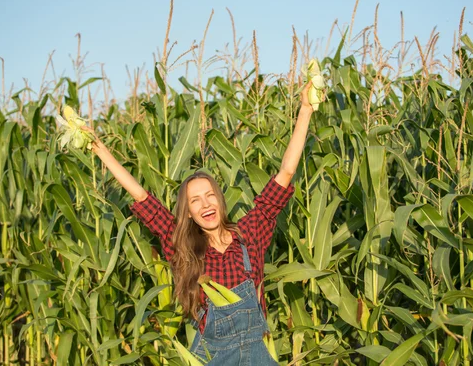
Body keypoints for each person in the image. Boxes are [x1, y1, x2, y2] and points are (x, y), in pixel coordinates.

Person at [87, 82, 316, 364]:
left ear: (220, 201)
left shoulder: (250, 233)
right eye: (195, 200)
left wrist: (305, 109)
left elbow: (286, 171)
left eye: (210, 196)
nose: (205, 204)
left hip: (257, 356)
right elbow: (141, 197)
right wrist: (99, 150)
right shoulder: (182, 245)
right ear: (188, 213)